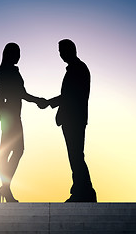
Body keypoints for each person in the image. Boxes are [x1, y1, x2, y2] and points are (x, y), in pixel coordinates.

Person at [47, 39, 97, 202]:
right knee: (75, 155)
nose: (61, 54)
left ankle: (84, 192)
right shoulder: (76, 68)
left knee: (76, 155)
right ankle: (81, 190)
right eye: (59, 52)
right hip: (73, 119)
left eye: (62, 51)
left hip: (74, 119)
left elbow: (71, 95)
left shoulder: (78, 69)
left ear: (71, 50)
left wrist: (51, 102)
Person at [0, 42, 46, 202]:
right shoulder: (8, 71)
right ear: (11, 54)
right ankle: (5, 187)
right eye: (17, 53)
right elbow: (21, 93)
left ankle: (6, 187)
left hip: (9, 113)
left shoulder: (6, 70)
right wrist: (38, 100)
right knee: (15, 150)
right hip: (10, 114)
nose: (19, 56)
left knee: (9, 150)